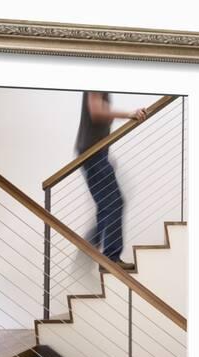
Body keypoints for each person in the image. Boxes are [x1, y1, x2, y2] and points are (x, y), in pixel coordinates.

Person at [75, 91, 147, 270]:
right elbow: (96, 111)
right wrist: (128, 114)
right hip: (93, 154)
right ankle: (110, 258)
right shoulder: (96, 78)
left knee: (106, 207)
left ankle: (85, 258)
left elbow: (97, 114)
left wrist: (105, 155)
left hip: (96, 154)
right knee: (115, 202)